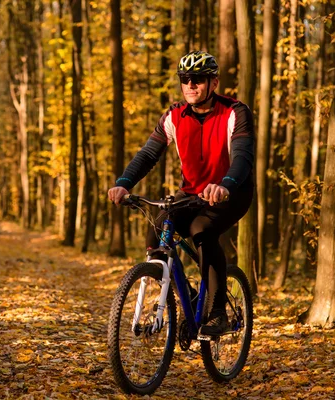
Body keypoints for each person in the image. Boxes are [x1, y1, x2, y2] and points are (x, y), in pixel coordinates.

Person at [107, 50, 255, 336]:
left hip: (232, 192)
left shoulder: (235, 112)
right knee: (157, 230)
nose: (190, 84)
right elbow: (149, 153)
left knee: (201, 229)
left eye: (197, 78)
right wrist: (124, 182)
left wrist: (225, 185)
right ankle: (189, 296)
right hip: (191, 193)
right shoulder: (174, 116)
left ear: (213, 82)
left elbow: (242, 157)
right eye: (185, 78)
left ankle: (217, 312)